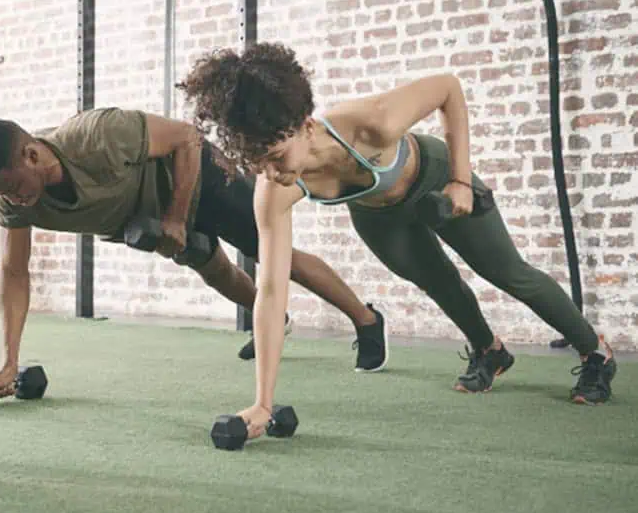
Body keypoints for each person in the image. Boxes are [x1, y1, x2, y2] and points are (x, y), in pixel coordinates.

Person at [177, 41, 617, 439]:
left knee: (506, 272)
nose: (271, 173)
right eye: (257, 162)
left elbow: (448, 88)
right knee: (439, 282)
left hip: (434, 178)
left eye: (275, 157)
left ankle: (595, 351)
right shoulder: (273, 190)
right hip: (377, 215)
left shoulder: (370, 125)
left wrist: (462, 181)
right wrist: (263, 403)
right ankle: (490, 351)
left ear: (305, 126)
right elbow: (271, 293)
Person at [0, 107, 389, 398]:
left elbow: (188, 137)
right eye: (3, 195)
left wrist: (177, 218)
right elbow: (13, 273)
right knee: (218, 274)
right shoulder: (13, 203)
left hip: (200, 179)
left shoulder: (97, 135)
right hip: (161, 220)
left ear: (32, 154)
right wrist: (9, 361)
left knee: (277, 258)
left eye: (16, 188)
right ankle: (272, 321)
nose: (15, 201)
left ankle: (367, 321)